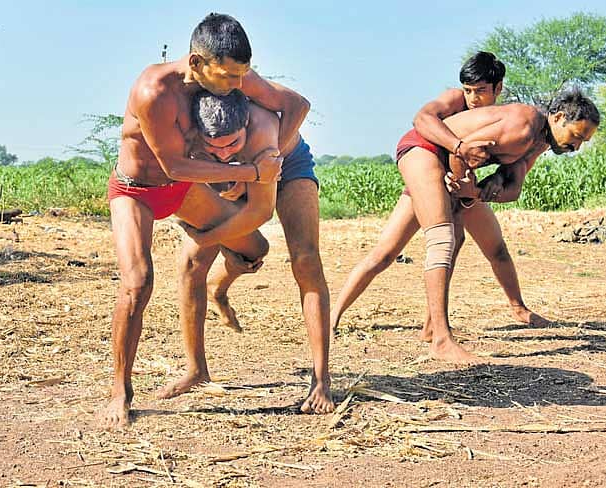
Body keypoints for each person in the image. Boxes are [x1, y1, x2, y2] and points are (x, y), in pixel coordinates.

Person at [101, 13, 313, 429]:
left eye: (243, 74)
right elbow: (175, 165)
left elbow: (296, 106)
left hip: (187, 187)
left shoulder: (232, 76)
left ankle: (219, 295)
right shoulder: (153, 91)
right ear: (197, 63)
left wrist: (266, 158)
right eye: (230, 76)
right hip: (137, 191)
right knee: (138, 281)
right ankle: (120, 391)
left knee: (254, 247)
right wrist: (248, 174)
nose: (240, 85)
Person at [331, 52, 549, 341]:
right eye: (469, 90)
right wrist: (459, 148)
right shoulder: (454, 100)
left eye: (481, 91)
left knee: (495, 247)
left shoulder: (508, 123)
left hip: (453, 180)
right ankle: (333, 316)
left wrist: (473, 193)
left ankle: (516, 308)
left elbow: (511, 176)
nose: (473, 98)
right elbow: (422, 118)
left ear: (499, 89)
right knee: (388, 253)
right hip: (427, 164)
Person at [153, 88, 334, 415]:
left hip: (286, 164)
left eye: (232, 144)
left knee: (306, 261)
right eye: (214, 146)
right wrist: (227, 171)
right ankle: (196, 370)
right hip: (228, 176)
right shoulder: (190, 135)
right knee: (193, 262)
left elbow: (260, 212)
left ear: (247, 126)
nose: (223, 153)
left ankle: (321, 379)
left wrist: (209, 237)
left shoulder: (263, 131)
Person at [393, 88, 599, 363]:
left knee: (459, 242)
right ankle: (441, 340)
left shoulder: (540, 140)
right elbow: (463, 148)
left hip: (448, 163)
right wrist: (464, 190)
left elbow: (514, 187)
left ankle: (434, 328)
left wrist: (484, 188)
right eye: (576, 136)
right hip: (426, 149)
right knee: (441, 240)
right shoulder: (524, 128)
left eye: (583, 141)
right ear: (559, 117)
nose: (576, 147)